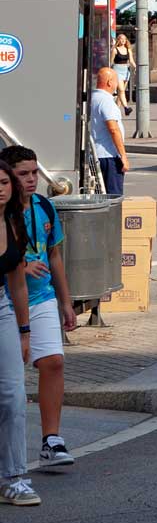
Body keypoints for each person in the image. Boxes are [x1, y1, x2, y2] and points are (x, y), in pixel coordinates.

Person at [3, 147, 75, 472]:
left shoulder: (45, 207)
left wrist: (66, 302)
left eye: (34, 172)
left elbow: (55, 256)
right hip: (8, 301)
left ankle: (51, 440)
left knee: (54, 362)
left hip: (42, 298)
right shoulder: (4, 212)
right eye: (23, 174)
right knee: (12, 384)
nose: (31, 180)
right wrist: (20, 266)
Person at [1, 164, 38, 506]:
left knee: (13, 396)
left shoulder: (13, 223)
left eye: (3, 182)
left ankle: (14, 478)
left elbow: (17, 282)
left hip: (2, 311)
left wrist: (24, 330)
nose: (0, 189)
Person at [88, 66, 128, 197]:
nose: (117, 84)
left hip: (94, 155)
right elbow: (113, 128)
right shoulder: (106, 101)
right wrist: (123, 156)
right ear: (110, 82)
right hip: (108, 156)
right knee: (113, 198)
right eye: (116, 81)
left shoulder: (91, 99)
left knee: (97, 196)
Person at [112, 32, 135, 112]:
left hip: (125, 71)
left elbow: (131, 60)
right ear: (118, 40)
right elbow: (111, 62)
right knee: (121, 90)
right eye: (121, 39)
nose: (123, 40)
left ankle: (116, 110)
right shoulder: (115, 50)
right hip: (117, 70)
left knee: (121, 93)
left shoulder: (128, 50)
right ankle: (126, 108)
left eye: (125, 39)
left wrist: (135, 67)